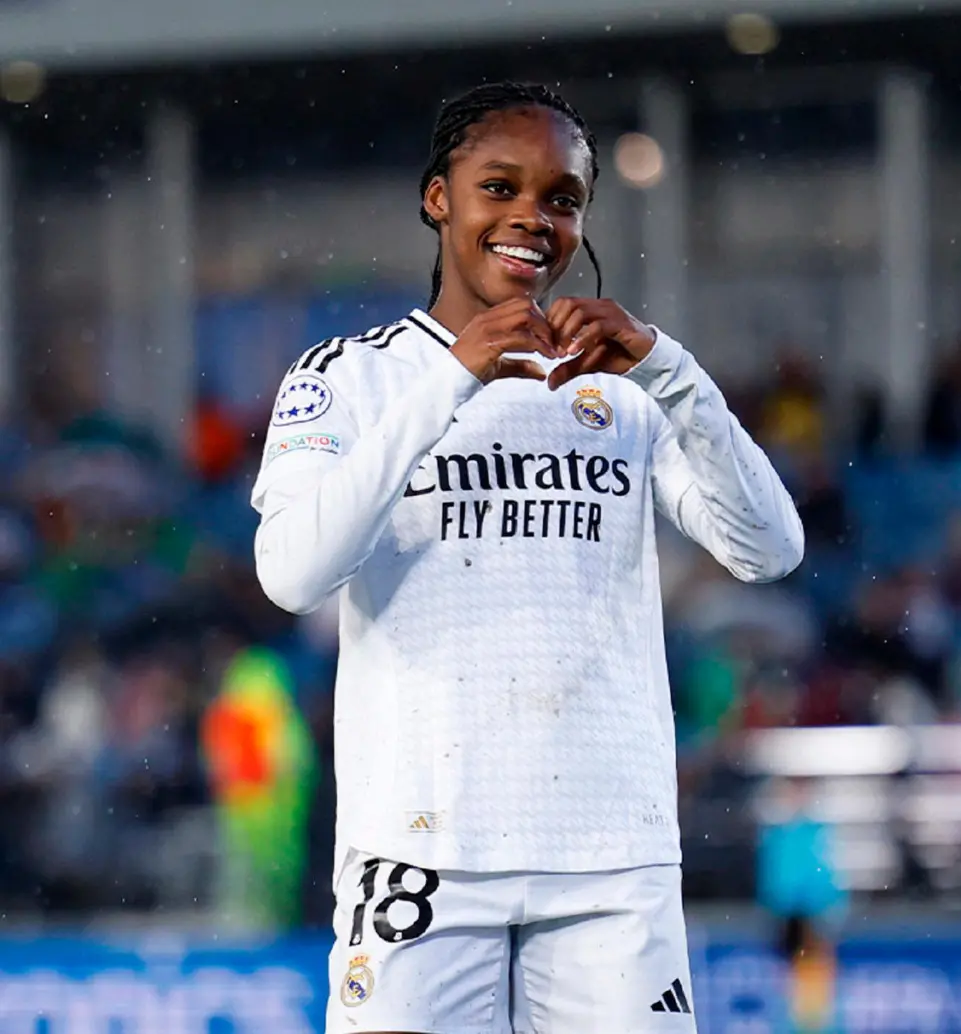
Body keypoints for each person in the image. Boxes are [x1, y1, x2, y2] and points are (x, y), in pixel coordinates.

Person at [252, 81, 804, 1034]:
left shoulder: (626, 388)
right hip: (420, 852)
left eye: (562, 198)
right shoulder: (349, 376)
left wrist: (672, 371)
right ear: (439, 199)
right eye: (499, 188)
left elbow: (769, 550)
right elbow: (293, 574)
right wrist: (450, 380)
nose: (531, 219)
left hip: (609, 859)